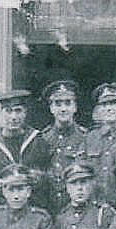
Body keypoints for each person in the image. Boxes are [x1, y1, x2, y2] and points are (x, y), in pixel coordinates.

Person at [0, 90, 53, 213]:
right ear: (1, 113)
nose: (13, 117)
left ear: (25, 113)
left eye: (18, 111)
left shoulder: (37, 141)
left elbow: (49, 176)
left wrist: (36, 177)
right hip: (0, 211)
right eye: (8, 111)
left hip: (34, 210)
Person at [41, 80, 88, 214]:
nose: (63, 109)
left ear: (75, 107)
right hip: (48, 206)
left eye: (68, 103)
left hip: (76, 207)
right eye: (58, 104)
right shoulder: (42, 138)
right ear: (51, 108)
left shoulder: (86, 137)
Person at [84, 82, 116, 209]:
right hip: (96, 209)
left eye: (114, 103)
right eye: (104, 104)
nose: (109, 108)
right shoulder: (90, 138)